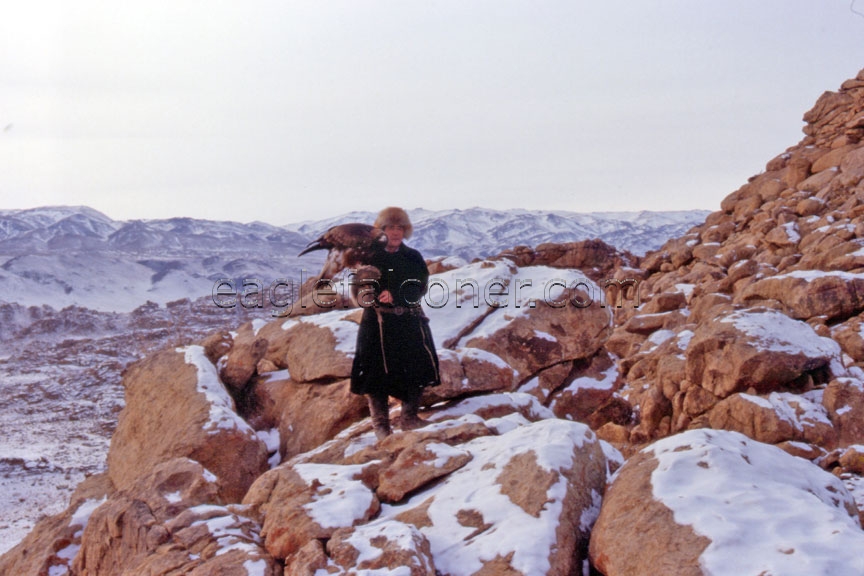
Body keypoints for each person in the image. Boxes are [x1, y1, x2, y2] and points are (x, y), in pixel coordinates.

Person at [350, 207, 440, 440]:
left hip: (408, 321)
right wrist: (368, 296)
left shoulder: (413, 257)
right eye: (390, 227)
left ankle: (409, 418)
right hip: (376, 324)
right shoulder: (370, 257)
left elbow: (420, 286)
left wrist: (398, 296)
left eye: (400, 227)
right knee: (375, 375)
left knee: (417, 368)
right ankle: (381, 428)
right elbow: (357, 291)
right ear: (382, 230)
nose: (396, 232)